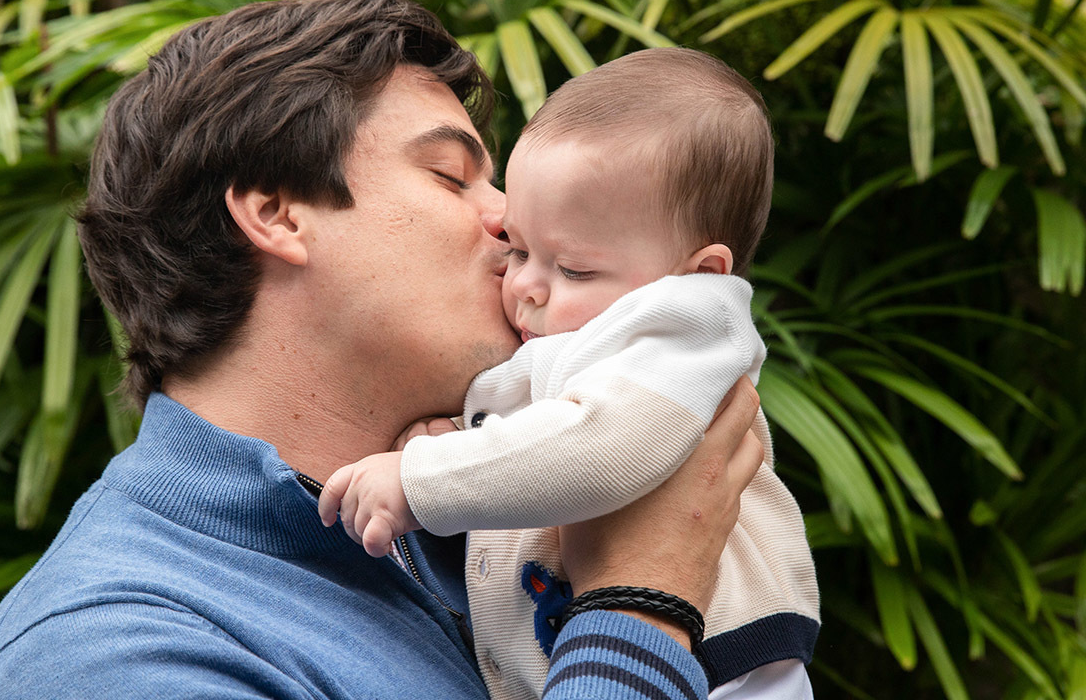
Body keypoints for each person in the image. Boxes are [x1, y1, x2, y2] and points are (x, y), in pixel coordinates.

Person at [0, 0, 765, 700]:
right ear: (277, 214)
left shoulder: (491, 511)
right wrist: (639, 604)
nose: (511, 219)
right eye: (452, 176)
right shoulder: (105, 656)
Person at [318, 49, 820, 699]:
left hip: (725, 668)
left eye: (574, 269)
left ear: (701, 274)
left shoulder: (685, 328)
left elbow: (604, 447)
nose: (524, 284)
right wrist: (458, 436)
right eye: (520, 249)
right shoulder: (591, 335)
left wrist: (420, 480)